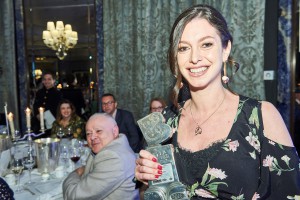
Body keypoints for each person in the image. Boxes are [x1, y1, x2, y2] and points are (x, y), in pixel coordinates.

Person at [135, 4, 300, 199]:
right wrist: (147, 181)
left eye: (206, 44)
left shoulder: (260, 117)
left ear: (225, 49)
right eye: (183, 48)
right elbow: (151, 193)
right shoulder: (162, 123)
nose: (194, 58)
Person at [62, 113, 139, 200]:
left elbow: (73, 196)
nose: (92, 137)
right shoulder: (115, 146)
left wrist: (75, 173)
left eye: (98, 131)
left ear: (115, 131)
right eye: (88, 133)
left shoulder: (112, 157)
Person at [32, 71, 63, 136]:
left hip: (52, 122)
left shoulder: (57, 93)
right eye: (45, 79)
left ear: (53, 81)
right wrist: (37, 114)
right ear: (42, 81)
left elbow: (58, 108)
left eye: (49, 79)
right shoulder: (39, 92)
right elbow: (35, 105)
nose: (47, 81)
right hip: (39, 122)